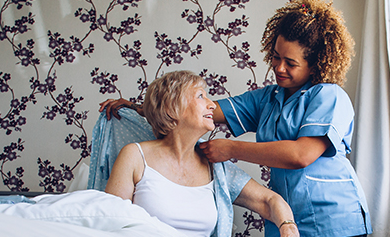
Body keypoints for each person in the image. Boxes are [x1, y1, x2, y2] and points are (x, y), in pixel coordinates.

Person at [100, 0, 372, 237]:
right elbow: (197, 110)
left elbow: (300, 155)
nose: (278, 68)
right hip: (288, 219)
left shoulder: (329, 96)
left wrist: (230, 148)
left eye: (291, 63)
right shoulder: (268, 98)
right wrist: (142, 107)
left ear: (316, 65)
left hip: (334, 218)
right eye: (276, 57)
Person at [103, 70, 299, 237]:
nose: (212, 104)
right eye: (200, 96)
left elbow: (269, 200)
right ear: (173, 107)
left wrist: (287, 226)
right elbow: (109, 223)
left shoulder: (216, 167)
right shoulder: (135, 156)